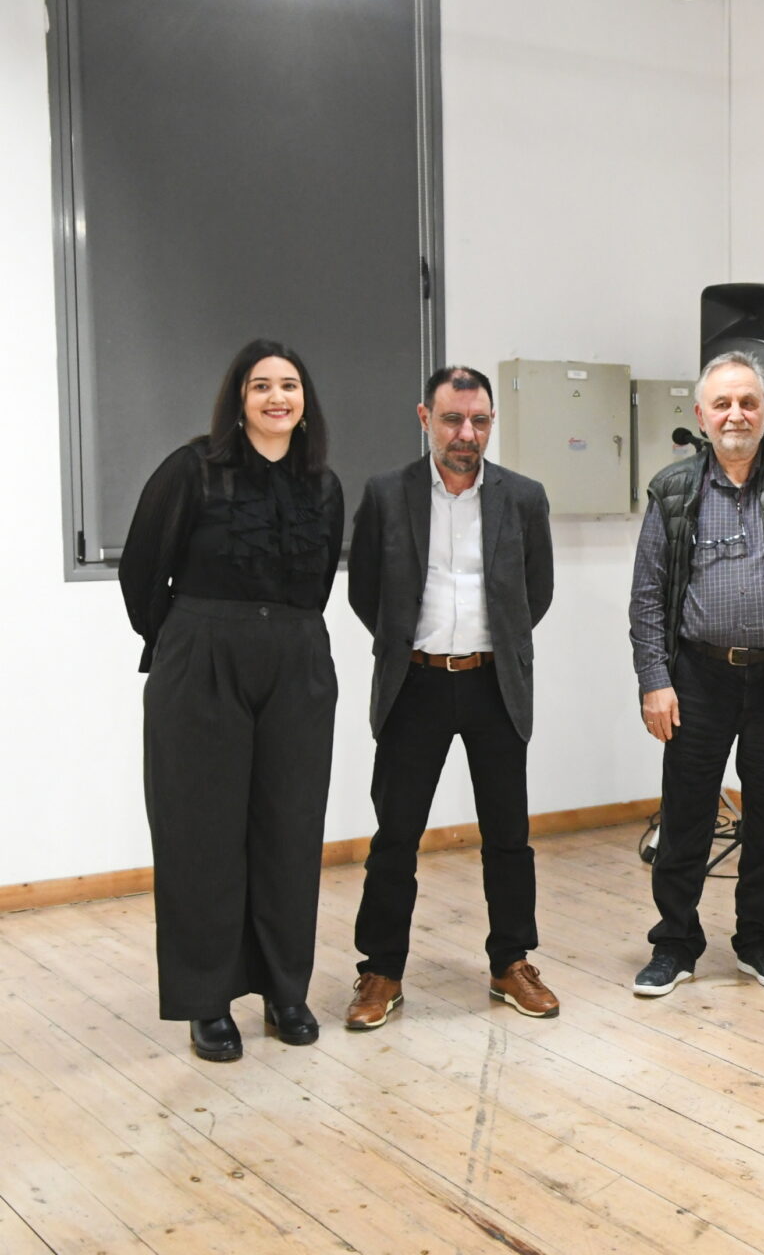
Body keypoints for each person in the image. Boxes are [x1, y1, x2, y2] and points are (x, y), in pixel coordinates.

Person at [119, 338, 344, 1062]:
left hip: (297, 663)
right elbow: (141, 570)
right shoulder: (192, 470)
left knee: (290, 829)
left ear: (305, 401)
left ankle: (284, 991)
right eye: (261, 386)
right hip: (203, 659)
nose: (278, 397)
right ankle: (207, 1001)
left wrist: (280, 638)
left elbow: (318, 586)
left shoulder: (324, 485)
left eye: (289, 385)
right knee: (200, 834)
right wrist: (188, 639)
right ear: (238, 400)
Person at [343, 365, 558, 1031]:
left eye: (480, 420)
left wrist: (496, 647)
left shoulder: (524, 497)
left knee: (509, 835)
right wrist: (410, 647)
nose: (467, 433)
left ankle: (511, 962)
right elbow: (365, 592)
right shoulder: (386, 494)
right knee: (396, 836)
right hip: (415, 684)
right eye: (453, 419)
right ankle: (381, 970)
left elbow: (536, 593)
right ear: (425, 419)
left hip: (496, 684)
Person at [628, 351, 764, 996]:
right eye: (721, 403)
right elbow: (647, 596)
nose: (735, 414)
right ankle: (675, 945)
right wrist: (654, 680)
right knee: (686, 818)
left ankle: (760, 942)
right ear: (700, 415)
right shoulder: (674, 488)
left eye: (748, 402)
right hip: (697, 679)